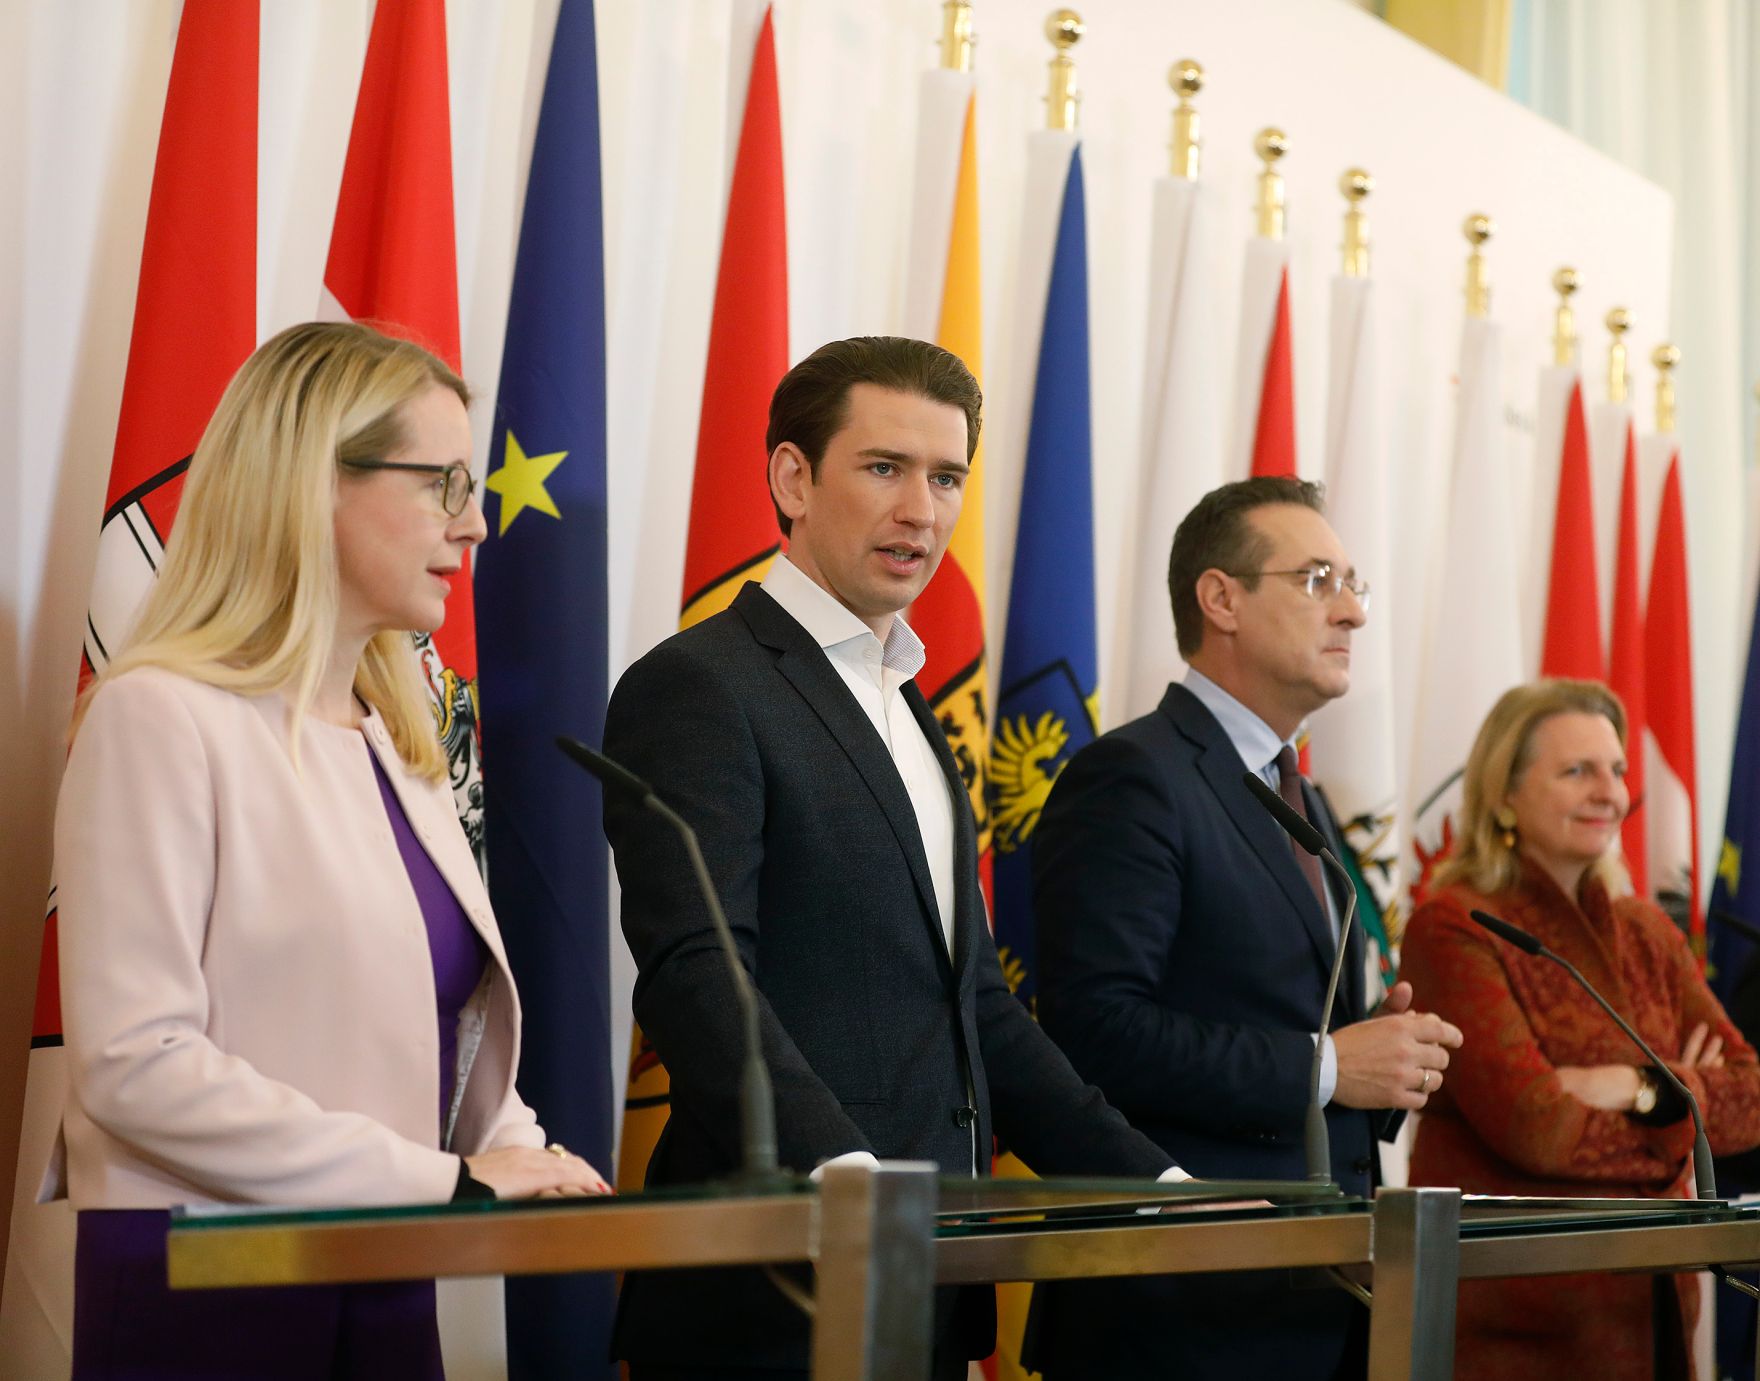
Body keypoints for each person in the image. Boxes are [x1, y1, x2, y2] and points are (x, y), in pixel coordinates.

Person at [601, 336, 1180, 1380]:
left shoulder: (903, 700)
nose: (922, 509)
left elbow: (976, 1009)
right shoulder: (701, 685)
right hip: (774, 1287)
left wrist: (1159, 1184)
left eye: (946, 476)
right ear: (791, 476)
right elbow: (699, 975)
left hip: (925, 1284)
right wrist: (853, 1179)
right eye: (884, 468)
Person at [46, 321, 608, 1381]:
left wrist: (532, 1156)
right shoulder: (160, 716)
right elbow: (134, 1062)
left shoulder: (402, 742)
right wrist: (439, 1180)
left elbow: (430, 1032)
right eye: (441, 484)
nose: (475, 522)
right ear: (312, 485)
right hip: (208, 1273)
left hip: (382, 1255)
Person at [1024, 475, 1463, 1381]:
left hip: (1321, 1296)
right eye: (1317, 581)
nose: (1351, 613)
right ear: (1221, 597)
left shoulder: (1298, 792)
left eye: (1356, 585)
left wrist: (1382, 1058)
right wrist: (1334, 1064)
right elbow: (1092, 1034)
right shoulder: (1134, 778)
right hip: (1183, 1312)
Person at [1399, 679, 1760, 1380]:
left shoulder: (1648, 931)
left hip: (1654, 1314)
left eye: (1618, 770)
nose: (1610, 791)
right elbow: (1536, 1123)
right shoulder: (1456, 925)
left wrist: (1637, 1087)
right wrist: (1686, 1131)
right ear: (1504, 793)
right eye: (1577, 771)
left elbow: (1753, 1099)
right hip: (1513, 1329)